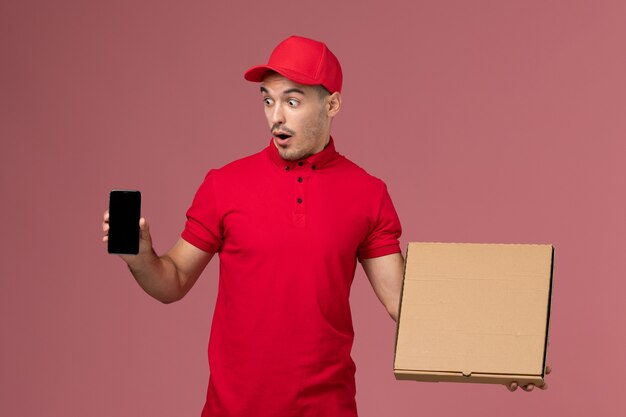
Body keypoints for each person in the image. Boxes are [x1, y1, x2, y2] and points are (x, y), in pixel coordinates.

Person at [102, 35, 547, 417]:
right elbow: (173, 281)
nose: (276, 115)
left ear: (332, 103)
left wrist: (502, 355)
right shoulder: (224, 185)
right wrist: (139, 256)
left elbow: (405, 305)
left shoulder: (367, 193)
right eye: (268, 100)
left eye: (292, 101)